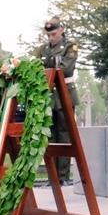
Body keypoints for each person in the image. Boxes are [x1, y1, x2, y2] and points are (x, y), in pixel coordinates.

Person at [35, 16, 79, 186]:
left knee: (65, 135)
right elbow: (38, 69)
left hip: (64, 94)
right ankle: (53, 177)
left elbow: (67, 68)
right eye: (48, 35)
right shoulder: (43, 49)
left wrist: (50, 70)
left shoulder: (69, 47)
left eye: (54, 34)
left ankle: (64, 176)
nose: (51, 38)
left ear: (61, 30)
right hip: (48, 96)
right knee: (50, 136)